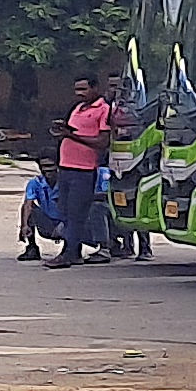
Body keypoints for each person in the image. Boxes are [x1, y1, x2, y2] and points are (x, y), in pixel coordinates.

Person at [50, 75, 119, 269]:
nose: (80, 94)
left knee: (76, 213)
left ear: (95, 88)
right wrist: (65, 131)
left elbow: (102, 142)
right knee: (64, 210)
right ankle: (74, 251)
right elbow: (74, 133)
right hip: (66, 167)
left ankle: (69, 253)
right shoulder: (77, 109)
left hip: (84, 170)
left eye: (84, 89)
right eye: (77, 90)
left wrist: (71, 135)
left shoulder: (104, 110)